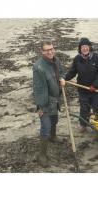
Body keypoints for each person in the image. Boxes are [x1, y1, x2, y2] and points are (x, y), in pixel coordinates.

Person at [33, 40, 65, 168]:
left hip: (56, 99)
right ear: (42, 51)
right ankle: (41, 155)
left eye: (51, 49)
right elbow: (39, 89)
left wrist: (62, 78)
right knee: (45, 127)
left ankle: (53, 137)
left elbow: (62, 72)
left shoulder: (56, 61)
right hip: (45, 102)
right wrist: (41, 106)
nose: (50, 51)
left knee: (55, 121)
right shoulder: (38, 67)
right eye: (47, 50)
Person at [61, 37, 98, 133]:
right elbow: (72, 72)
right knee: (84, 108)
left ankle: (96, 126)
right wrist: (64, 78)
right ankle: (83, 124)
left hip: (95, 90)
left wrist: (94, 85)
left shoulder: (96, 57)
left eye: (86, 46)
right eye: (82, 47)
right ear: (80, 48)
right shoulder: (77, 59)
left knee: (96, 108)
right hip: (83, 90)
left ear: (89, 47)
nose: (84, 48)